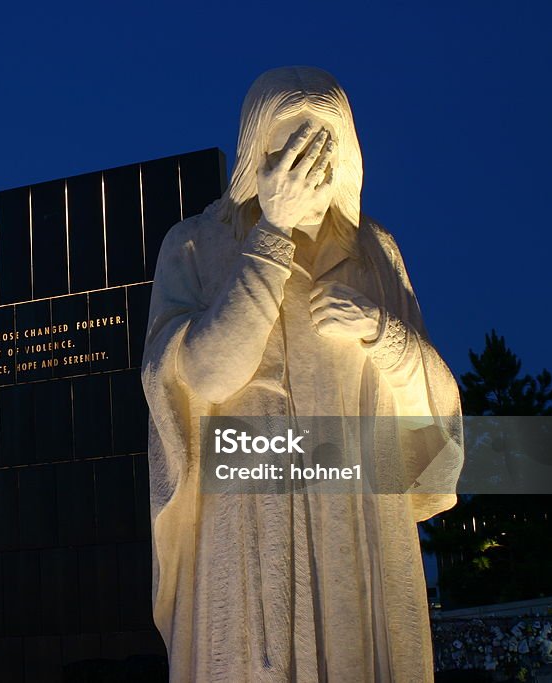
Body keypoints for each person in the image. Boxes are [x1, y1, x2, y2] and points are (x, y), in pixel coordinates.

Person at [141, 66, 464, 682]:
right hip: (247, 516)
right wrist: (272, 232)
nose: (307, 162)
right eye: (291, 145)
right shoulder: (194, 245)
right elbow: (202, 376)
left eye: (322, 144)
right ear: (257, 152)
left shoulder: (375, 253)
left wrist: (384, 334)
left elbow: (436, 417)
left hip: (358, 513)